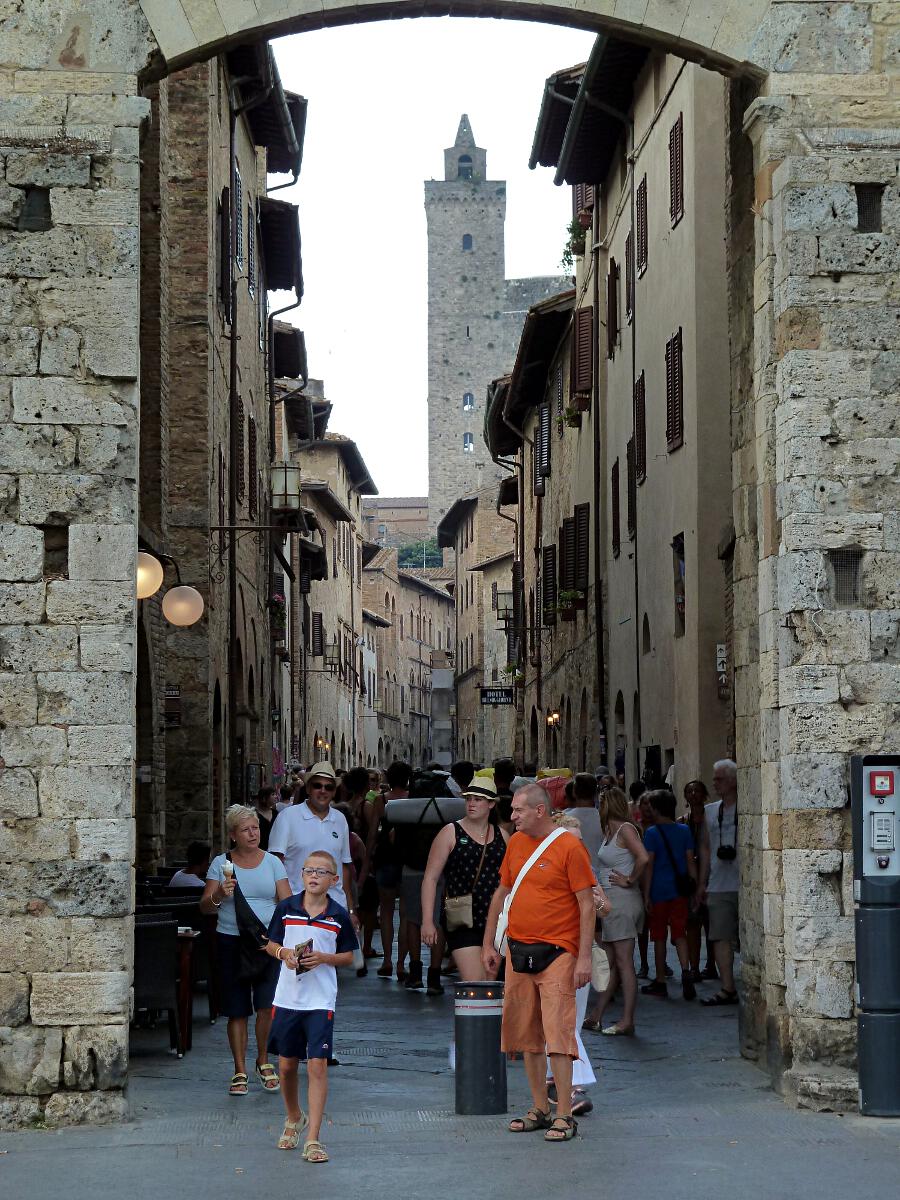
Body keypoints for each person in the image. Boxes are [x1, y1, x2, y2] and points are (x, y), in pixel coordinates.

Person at [482, 784, 603, 1143]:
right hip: (519, 951)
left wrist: (582, 958)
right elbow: (502, 893)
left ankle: (564, 1113)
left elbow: (586, 904)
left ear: (539, 811)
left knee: (558, 1034)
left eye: (518, 810)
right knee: (527, 1035)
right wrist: (490, 942)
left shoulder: (569, 846)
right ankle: (539, 1107)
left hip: (558, 952)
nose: (512, 816)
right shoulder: (516, 844)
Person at [266, 850, 358, 1160]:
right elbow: (271, 943)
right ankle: (294, 1116)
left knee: (317, 1065)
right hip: (288, 997)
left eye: (322, 872)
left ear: (333, 880)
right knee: (287, 1065)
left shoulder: (338, 915)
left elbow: (349, 956)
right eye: (309, 871)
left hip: (321, 999)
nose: (314, 876)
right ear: (301, 876)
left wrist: (324, 958)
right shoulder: (287, 908)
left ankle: (314, 1138)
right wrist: (285, 955)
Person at [200, 805, 291, 1095]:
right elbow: (204, 906)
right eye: (246, 830)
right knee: (237, 1009)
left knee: (267, 1006)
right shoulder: (221, 863)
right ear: (233, 835)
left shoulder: (273, 863)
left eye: (255, 828)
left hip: (267, 943)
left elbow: (286, 903)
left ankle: (263, 1060)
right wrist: (218, 893)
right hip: (232, 940)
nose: (253, 834)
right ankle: (239, 1069)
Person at [421, 776, 509, 982]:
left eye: (478, 799)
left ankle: (490, 1016)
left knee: (494, 982)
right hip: (461, 916)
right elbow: (430, 878)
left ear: (491, 804)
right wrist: (427, 921)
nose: (471, 803)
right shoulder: (450, 832)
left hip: (496, 919)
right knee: (476, 981)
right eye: (469, 798)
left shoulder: (503, 836)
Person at [585, 787, 648, 1036]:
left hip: (622, 901)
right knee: (611, 962)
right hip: (611, 902)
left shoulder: (625, 829)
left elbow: (643, 857)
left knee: (623, 963)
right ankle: (597, 1016)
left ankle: (627, 1020)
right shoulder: (609, 831)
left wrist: (630, 879)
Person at [268, 762, 356, 924]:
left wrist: (350, 910)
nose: (323, 791)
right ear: (308, 788)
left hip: (335, 910)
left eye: (328, 787)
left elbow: (344, 867)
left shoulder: (340, 819)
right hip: (297, 910)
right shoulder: (288, 817)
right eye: (317, 785)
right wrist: (287, 906)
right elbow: (275, 865)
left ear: (334, 792)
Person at [640, 790, 697, 1001]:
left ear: (655, 808)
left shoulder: (652, 833)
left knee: (659, 936)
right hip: (679, 891)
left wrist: (646, 894)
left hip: (659, 891)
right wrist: (695, 889)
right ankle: (686, 970)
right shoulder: (684, 830)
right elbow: (690, 861)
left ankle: (661, 980)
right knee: (679, 932)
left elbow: (649, 865)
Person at [700, 759, 740, 1007]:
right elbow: (704, 848)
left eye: (720, 779)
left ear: (734, 780)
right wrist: (702, 883)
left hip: (743, 881)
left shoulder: (748, 807)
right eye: (714, 778)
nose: (715, 783)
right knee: (720, 936)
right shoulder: (710, 811)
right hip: (718, 882)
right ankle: (727, 986)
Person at [365, 760, 410, 980]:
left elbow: (373, 833)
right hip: (408, 860)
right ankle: (402, 963)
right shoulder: (413, 800)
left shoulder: (381, 800)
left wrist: (367, 860)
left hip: (385, 859)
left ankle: (387, 960)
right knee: (405, 915)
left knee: (386, 912)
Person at [342, 766, 379, 966]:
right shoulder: (366, 805)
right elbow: (373, 832)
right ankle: (366, 946)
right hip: (361, 854)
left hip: (349, 857)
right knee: (368, 907)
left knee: (355, 906)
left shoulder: (346, 805)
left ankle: (354, 944)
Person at [681, 779, 715, 982]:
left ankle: (711, 964)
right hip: (691, 880)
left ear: (704, 795)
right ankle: (694, 966)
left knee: (711, 925)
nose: (693, 794)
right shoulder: (682, 822)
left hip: (712, 876)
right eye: (690, 790)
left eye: (697, 790)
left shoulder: (712, 819)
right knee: (693, 923)